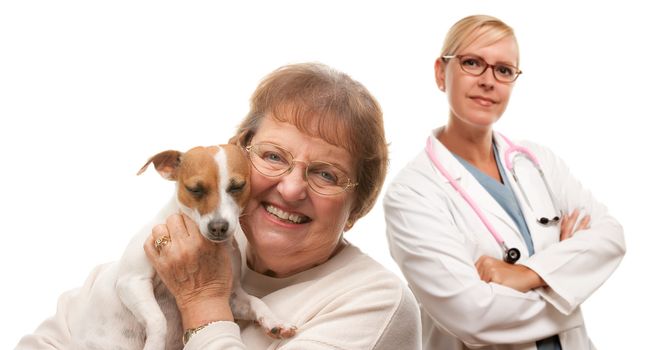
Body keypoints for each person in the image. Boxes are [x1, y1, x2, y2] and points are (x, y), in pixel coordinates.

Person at [17, 63, 422, 349]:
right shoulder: (174, 247)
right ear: (238, 159)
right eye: (274, 157)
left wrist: (203, 300)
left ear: (358, 205)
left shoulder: (376, 303)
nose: (292, 188)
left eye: (326, 175)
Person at [383, 15, 626, 350]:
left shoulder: (537, 162)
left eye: (504, 70)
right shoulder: (411, 194)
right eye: (472, 63)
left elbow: (610, 237)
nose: (488, 80)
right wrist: (569, 287)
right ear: (441, 72)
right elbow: (474, 315)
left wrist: (528, 275)